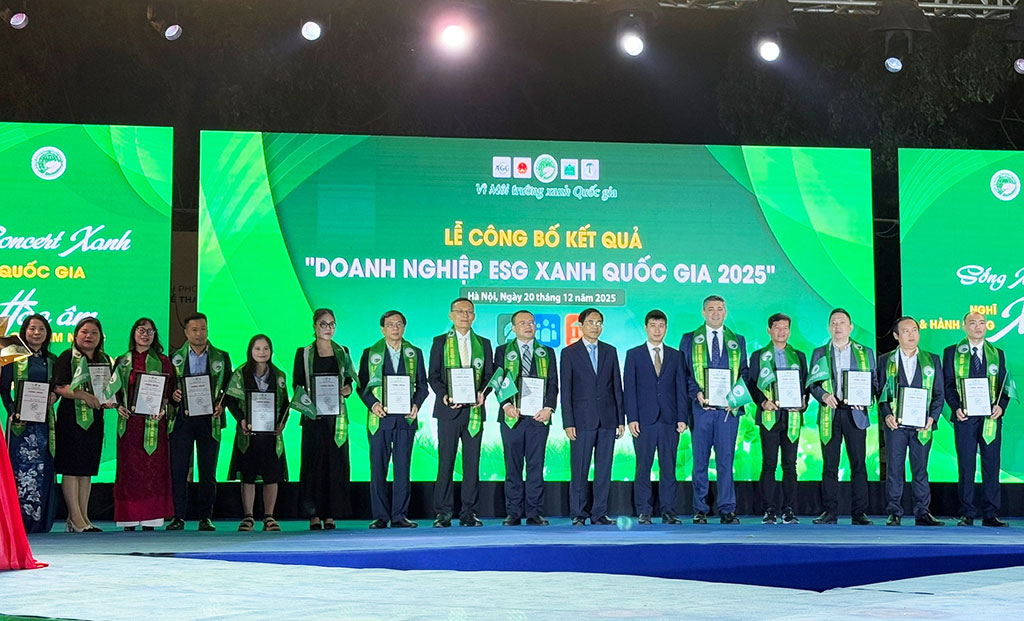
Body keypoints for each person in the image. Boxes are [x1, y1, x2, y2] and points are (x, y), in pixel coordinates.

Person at [679, 295, 749, 525]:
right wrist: (696, 393)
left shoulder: (738, 340)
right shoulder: (689, 339)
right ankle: (700, 508)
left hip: (728, 411)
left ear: (725, 312)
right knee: (700, 460)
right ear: (703, 312)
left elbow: (745, 373)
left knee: (725, 460)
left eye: (720, 309)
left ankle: (727, 508)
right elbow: (684, 373)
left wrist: (736, 398)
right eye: (711, 309)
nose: (715, 313)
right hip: (701, 410)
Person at [358, 311, 428, 529]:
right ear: (382, 329)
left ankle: (400, 515)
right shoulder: (370, 353)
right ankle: (380, 516)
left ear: (404, 327)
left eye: (399, 324)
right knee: (378, 469)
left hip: (405, 420)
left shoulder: (414, 353)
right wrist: (373, 404)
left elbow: (423, 386)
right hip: (379, 419)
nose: (395, 328)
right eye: (390, 324)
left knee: (403, 469)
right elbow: (362, 386)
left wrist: (416, 405)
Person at [428, 297, 494, 528]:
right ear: (451, 315)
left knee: (472, 464)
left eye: (469, 312)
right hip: (448, 410)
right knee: (446, 462)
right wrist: (444, 395)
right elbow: (433, 375)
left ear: (474, 316)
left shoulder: (484, 344)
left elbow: (489, 375)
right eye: (460, 311)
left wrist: (484, 392)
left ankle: (469, 512)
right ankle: (443, 512)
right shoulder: (440, 342)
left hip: (474, 411)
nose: (465, 315)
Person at [808, 308, 877, 526]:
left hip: (855, 413)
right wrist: (823, 395)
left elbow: (875, 383)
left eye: (842, 322)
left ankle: (859, 512)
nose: (838, 327)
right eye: (834, 323)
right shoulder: (819, 353)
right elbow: (812, 384)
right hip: (829, 413)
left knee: (858, 464)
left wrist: (865, 398)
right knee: (830, 464)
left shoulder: (865, 352)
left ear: (851, 327)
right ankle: (829, 511)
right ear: (829, 327)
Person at [943, 311, 1011, 527]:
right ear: (964, 326)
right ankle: (967, 513)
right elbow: (948, 385)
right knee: (966, 465)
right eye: (972, 323)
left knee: (991, 464)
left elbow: (1005, 386)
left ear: (986, 326)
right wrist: (956, 408)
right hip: (965, 418)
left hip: (990, 419)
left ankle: (991, 513)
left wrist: (1001, 406)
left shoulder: (997, 354)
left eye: (982, 323)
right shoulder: (952, 352)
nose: (978, 327)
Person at [493, 310, 558, 527]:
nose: (528, 326)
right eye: (522, 323)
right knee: (512, 467)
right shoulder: (503, 351)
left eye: (531, 322)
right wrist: (506, 404)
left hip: (539, 418)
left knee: (535, 466)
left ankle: (534, 512)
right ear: (513, 328)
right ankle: (513, 512)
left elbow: (553, 383)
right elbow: (497, 380)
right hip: (513, 417)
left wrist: (549, 407)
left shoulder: (546, 352)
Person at [167, 313, 232, 531]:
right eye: (194, 330)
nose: (199, 334)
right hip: (182, 421)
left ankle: (206, 517)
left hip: (209, 420)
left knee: (208, 471)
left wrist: (222, 405)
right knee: (179, 469)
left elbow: (230, 389)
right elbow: (167, 389)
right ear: (186, 332)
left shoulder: (221, 357)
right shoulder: (174, 357)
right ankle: (178, 516)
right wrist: (173, 396)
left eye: (203, 329)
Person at [109, 318, 175, 531]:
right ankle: (128, 518)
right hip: (129, 424)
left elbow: (170, 393)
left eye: (150, 331)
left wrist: (164, 408)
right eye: (141, 330)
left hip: (154, 423)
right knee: (129, 471)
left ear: (155, 335)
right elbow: (111, 391)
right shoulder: (122, 361)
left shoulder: (164, 361)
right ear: (133, 333)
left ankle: (151, 519)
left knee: (153, 471)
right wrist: (117, 406)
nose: (145, 334)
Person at [294, 308, 358, 530]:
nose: (328, 328)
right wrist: (308, 400)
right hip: (314, 418)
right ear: (314, 326)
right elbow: (297, 384)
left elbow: (350, 380)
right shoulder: (303, 353)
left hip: (336, 419)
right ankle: (313, 514)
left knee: (335, 465)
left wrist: (348, 389)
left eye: (332, 324)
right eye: (323, 324)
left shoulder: (343, 351)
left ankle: (331, 513)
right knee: (313, 465)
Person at [878, 316, 944, 527]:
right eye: (906, 331)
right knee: (895, 468)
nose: (911, 334)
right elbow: (880, 393)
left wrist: (932, 417)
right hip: (895, 425)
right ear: (896, 336)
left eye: (914, 330)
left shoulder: (932, 360)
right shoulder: (885, 360)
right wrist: (887, 414)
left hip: (922, 425)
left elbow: (939, 394)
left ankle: (922, 511)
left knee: (920, 468)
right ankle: (894, 511)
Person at [623, 310, 688, 525]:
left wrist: (682, 417)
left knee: (668, 467)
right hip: (644, 421)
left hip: (670, 420)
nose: (657, 330)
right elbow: (629, 389)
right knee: (643, 466)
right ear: (646, 328)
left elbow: (681, 388)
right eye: (653, 325)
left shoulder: (676, 355)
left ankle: (669, 511)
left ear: (666, 328)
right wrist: (632, 418)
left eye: (661, 326)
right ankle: (644, 510)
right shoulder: (634, 355)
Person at [561, 308, 624, 526]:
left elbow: (617, 386)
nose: (595, 326)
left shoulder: (610, 351)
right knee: (579, 469)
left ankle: (599, 513)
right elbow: (566, 391)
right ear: (580, 325)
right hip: (581, 421)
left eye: (598, 323)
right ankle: (578, 513)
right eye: (590, 322)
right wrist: (568, 422)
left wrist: (620, 420)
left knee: (604, 470)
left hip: (608, 420)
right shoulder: (569, 353)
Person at [53, 317, 115, 533]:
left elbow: (107, 389)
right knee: (72, 468)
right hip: (71, 420)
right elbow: (58, 387)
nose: (89, 336)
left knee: (86, 469)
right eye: (84, 332)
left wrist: (109, 400)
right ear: (76, 335)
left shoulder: (104, 359)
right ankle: (74, 517)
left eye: (94, 333)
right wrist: (82, 395)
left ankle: (84, 517)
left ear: (100, 337)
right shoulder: (66, 356)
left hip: (94, 421)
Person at [748, 313, 808, 525]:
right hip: (769, 416)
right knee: (769, 464)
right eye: (777, 328)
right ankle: (769, 509)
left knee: (790, 465)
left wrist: (803, 402)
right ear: (769, 330)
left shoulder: (799, 356)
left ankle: (789, 509)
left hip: (792, 418)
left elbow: (805, 385)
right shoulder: (758, 356)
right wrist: (762, 402)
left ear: (789, 331)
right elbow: (751, 383)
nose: (781, 332)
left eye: (785, 328)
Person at [0, 314, 58, 533]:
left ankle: (40, 522)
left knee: (43, 469)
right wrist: (12, 411)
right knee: (20, 471)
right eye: (32, 328)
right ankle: (18, 524)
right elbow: (4, 389)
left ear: (47, 333)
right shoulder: (13, 356)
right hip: (20, 426)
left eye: (41, 329)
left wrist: (54, 396)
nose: (36, 333)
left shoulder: (51, 359)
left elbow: (55, 387)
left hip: (44, 424)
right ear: (24, 331)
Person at [225, 335, 289, 532]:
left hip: (271, 435)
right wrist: (241, 419)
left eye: (266, 348)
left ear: (271, 351)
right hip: (248, 434)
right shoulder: (239, 374)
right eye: (257, 348)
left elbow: (286, 404)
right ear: (250, 351)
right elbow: (230, 400)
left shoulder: (279, 375)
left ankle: (269, 517)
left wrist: (282, 424)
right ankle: (248, 517)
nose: (262, 352)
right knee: (248, 475)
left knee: (272, 476)